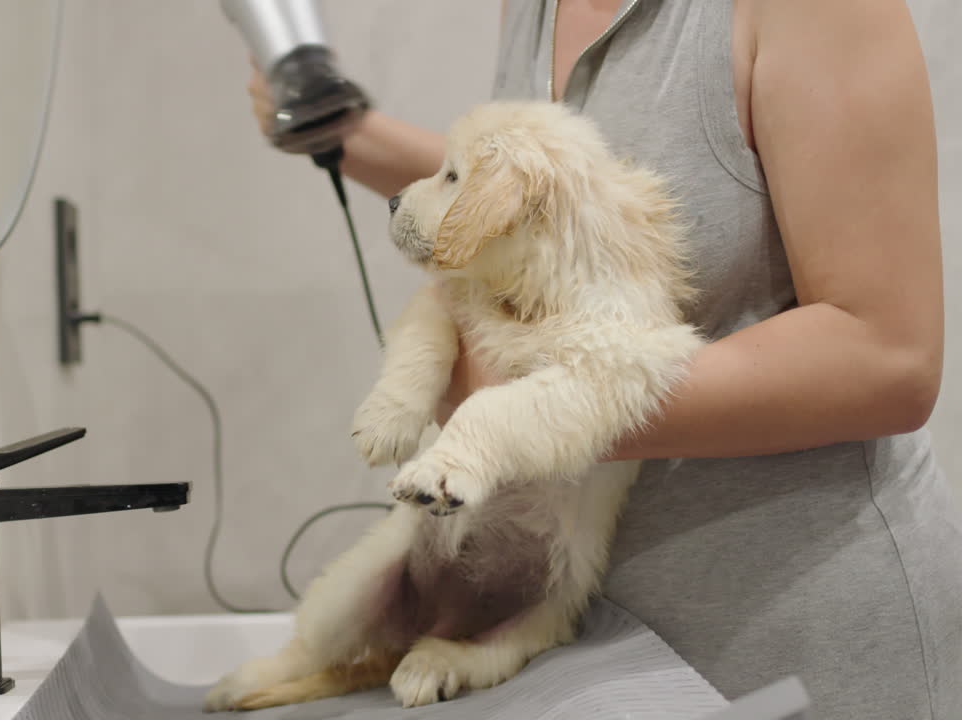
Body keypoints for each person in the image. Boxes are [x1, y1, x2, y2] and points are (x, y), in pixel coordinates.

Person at [245, 1, 960, 718]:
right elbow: (533, 201)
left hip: (788, 638)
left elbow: (887, 357)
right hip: (584, 644)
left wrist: (513, 405)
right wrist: (348, 135)